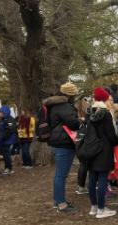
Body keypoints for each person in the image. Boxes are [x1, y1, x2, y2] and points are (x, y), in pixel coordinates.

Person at [44, 82, 80, 213]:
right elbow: (73, 123)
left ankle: (58, 200)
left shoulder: (54, 105)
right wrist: (81, 120)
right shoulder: (64, 106)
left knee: (60, 174)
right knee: (61, 175)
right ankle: (61, 204)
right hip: (64, 142)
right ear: (71, 95)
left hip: (57, 141)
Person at [87, 87, 118, 218]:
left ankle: (94, 207)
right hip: (104, 149)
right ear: (105, 99)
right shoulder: (106, 114)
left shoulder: (89, 112)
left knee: (92, 178)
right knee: (102, 178)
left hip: (91, 149)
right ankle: (101, 209)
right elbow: (111, 134)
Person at [75, 97, 90, 195]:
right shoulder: (87, 116)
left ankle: (80, 186)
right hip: (85, 141)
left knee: (83, 164)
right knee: (85, 164)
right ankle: (82, 186)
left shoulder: (75, 115)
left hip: (78, 141)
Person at [0, 105, 17, 175]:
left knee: (7, 155)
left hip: (7, 140)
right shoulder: (3, 119)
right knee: (5, 155)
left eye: (0, 113)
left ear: (4, 112)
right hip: (3, 140)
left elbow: (10, 130)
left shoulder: (10, 119)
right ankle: (7, 168)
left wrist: (2, 137)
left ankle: (9, 168)